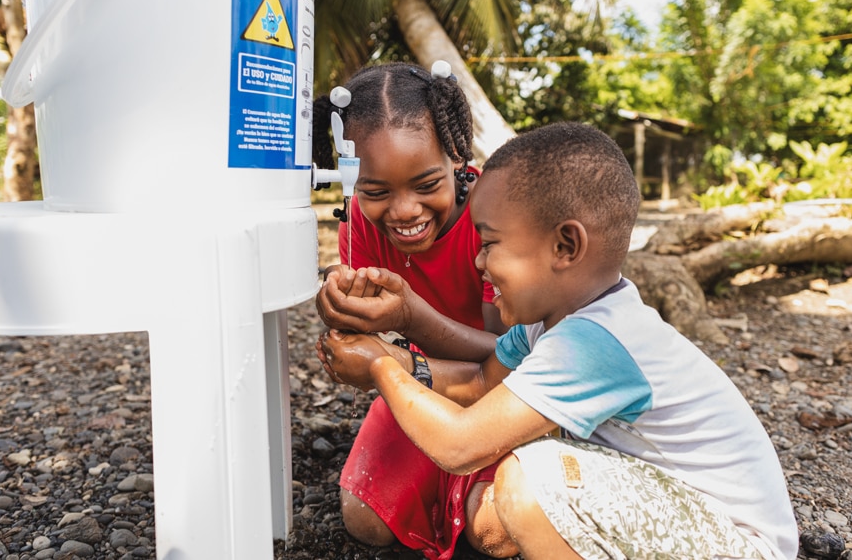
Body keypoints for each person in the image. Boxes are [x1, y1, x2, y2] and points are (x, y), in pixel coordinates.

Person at [317, 121, 800, 559]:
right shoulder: (552, 320)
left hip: (739, 543)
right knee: (510, 497)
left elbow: (460, 446)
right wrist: (399, 360)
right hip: (680, 512)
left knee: (530, 485)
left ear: (565, 247)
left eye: (490, 244)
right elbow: (483, 382)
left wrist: (382, 370)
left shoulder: (595, 342)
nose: (480, 263)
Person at [311, 61, 508, 559]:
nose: (403, 211)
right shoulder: (359, 221)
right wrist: (339, 310)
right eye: (376, 192)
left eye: (426, 185)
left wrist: (408, 322)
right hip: (423, 387)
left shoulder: (496, 219)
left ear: (456, 157)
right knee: (366, 520)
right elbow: (369, 327)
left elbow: (510, 360)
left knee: (493, 529)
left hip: (503, 398)